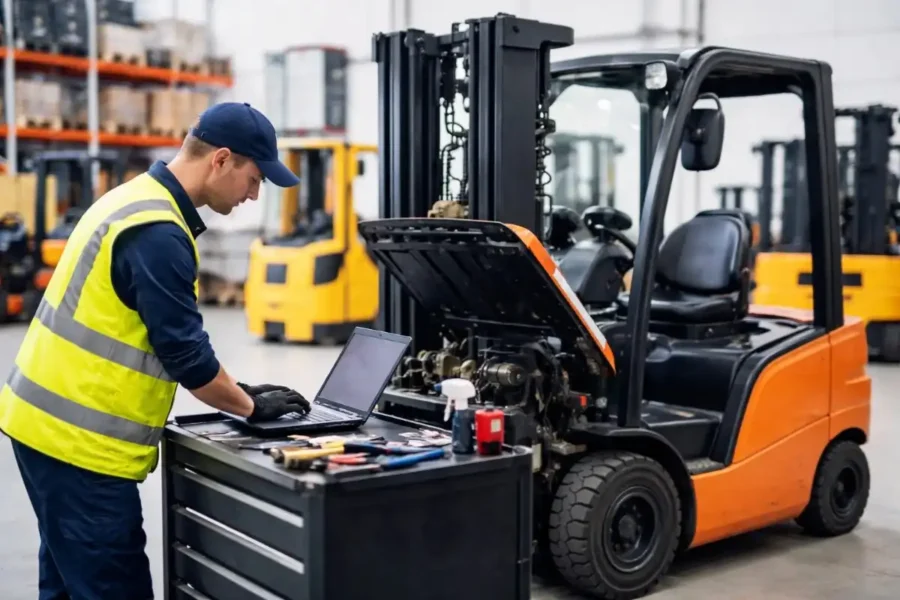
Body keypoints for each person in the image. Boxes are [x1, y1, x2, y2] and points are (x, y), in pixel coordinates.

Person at [0, 102, 312, 599]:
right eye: (255, 179)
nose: (255, 195)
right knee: (112, 588)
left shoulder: (133, 200)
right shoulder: (158, 233)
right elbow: (187, 358)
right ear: (222, 160)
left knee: (65, 586)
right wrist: (250, 407)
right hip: (80, 448)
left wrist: (238, 388)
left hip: (45, 429)